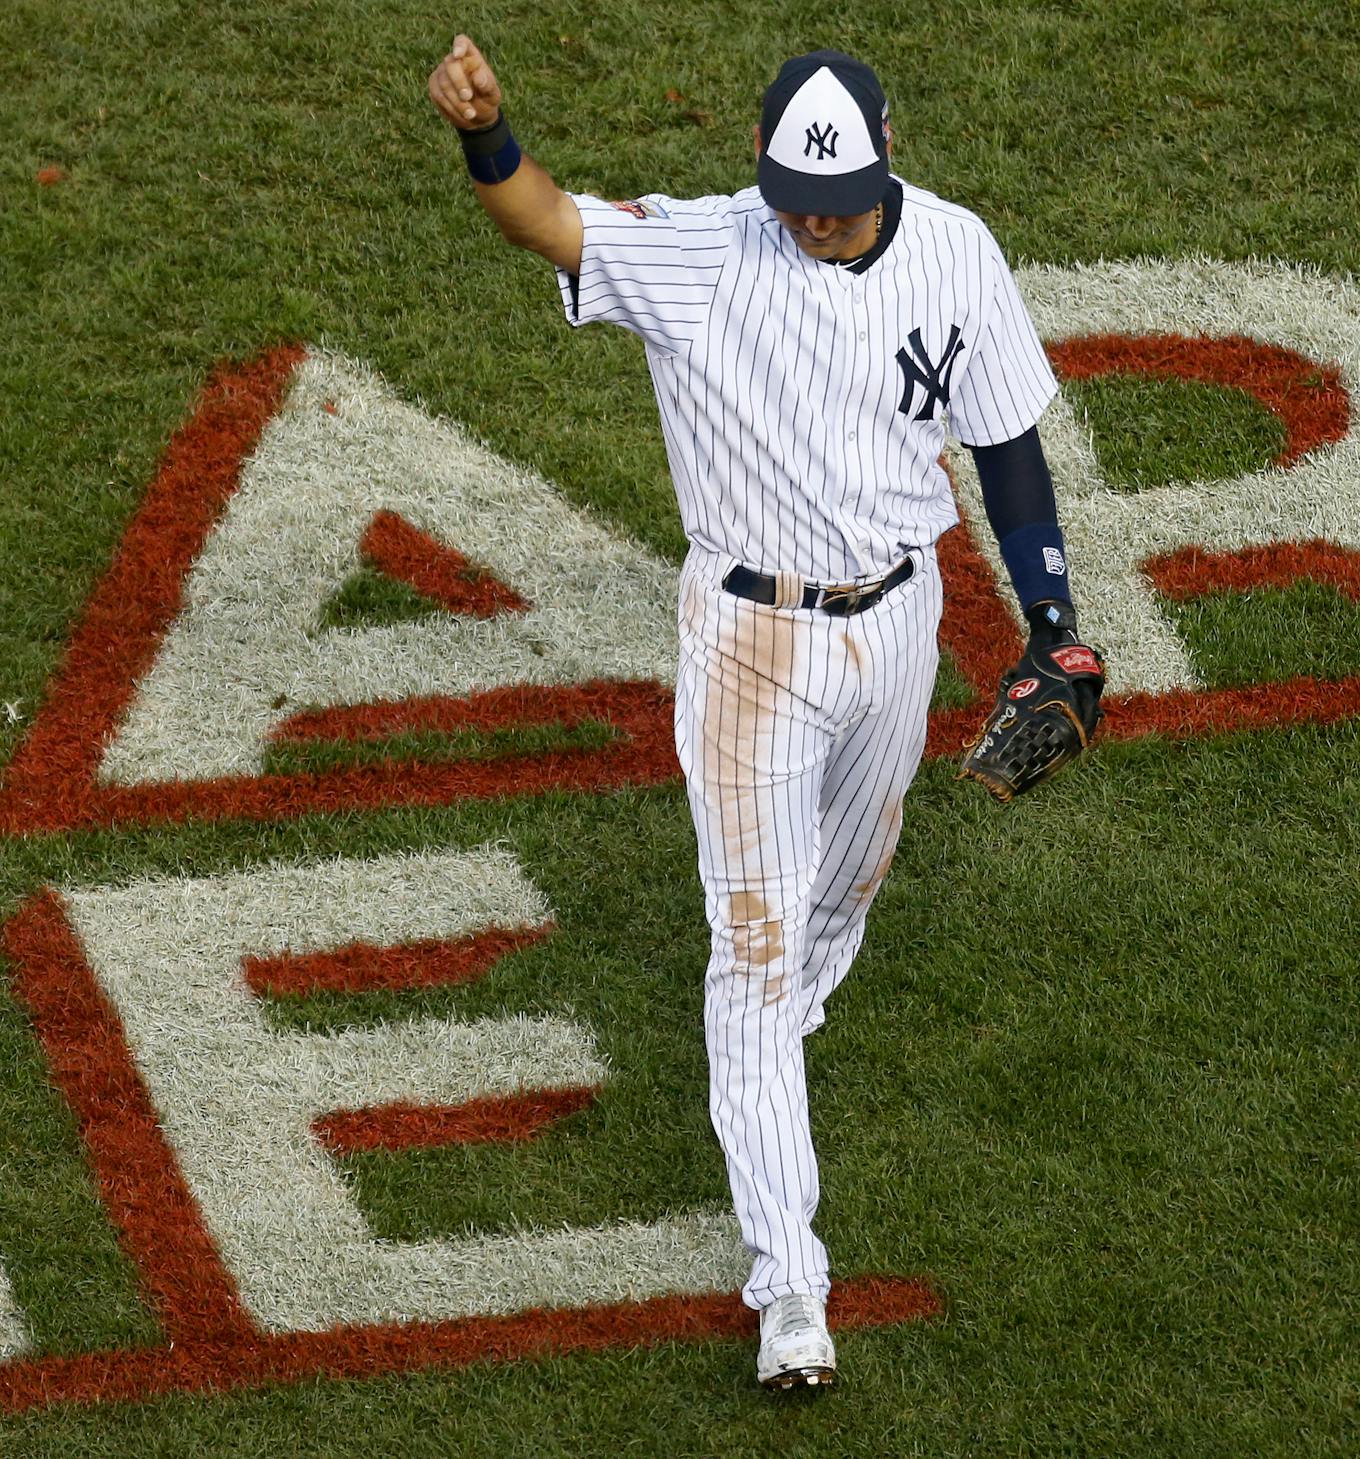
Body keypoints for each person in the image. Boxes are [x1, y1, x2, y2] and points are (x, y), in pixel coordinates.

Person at [425, 36, 1101, 1390]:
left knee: (845, 893)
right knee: (754, 948)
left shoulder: (957, 251)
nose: (816, 221)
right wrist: (487, 136)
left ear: (888, 151)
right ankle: (790, 1285)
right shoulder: (707, 253)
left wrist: (1053, 627)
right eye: (797, 195)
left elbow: (1010, 444)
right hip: (746, 639)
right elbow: (545, 221)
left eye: (839, 199)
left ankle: (778, 1036)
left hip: (898, 619)